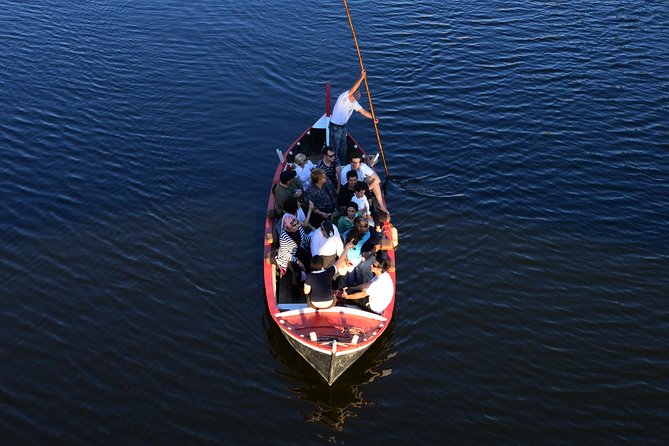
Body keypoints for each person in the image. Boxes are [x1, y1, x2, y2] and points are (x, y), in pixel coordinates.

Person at [329, 70, 379, 163]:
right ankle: (333, 165)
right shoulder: (344, 97)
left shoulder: (354, 102)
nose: (354, 100)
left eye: (356, 99)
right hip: (335, 127)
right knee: (334, 148)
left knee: (343, 147)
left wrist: (373, 117)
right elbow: (353, 89)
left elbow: (363, 111)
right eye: (354, 97)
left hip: (343, 127)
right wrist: (362, 77)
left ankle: (342, 163)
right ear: (351, 95)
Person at [304, 243, 353, 310]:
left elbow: (306, 292)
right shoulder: (329, 272)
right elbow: (341, 259)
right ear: (322, 264)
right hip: (330, 303)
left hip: (314, 304)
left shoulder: (309, 276)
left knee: (307, 295)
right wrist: (347, 247)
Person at [276, 215, 311, 303]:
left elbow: (305, 238)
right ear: (288, 227)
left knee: (308, 266)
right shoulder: (283, 237)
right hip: (292, 257)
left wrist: (314, 237)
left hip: (301, 251)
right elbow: (285, 253)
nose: (297, 226)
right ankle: (295, 288)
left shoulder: (300, 228)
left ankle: (306, 284)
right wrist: (297, 261)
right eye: (294, 225)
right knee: (296, 272)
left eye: (297, 223)